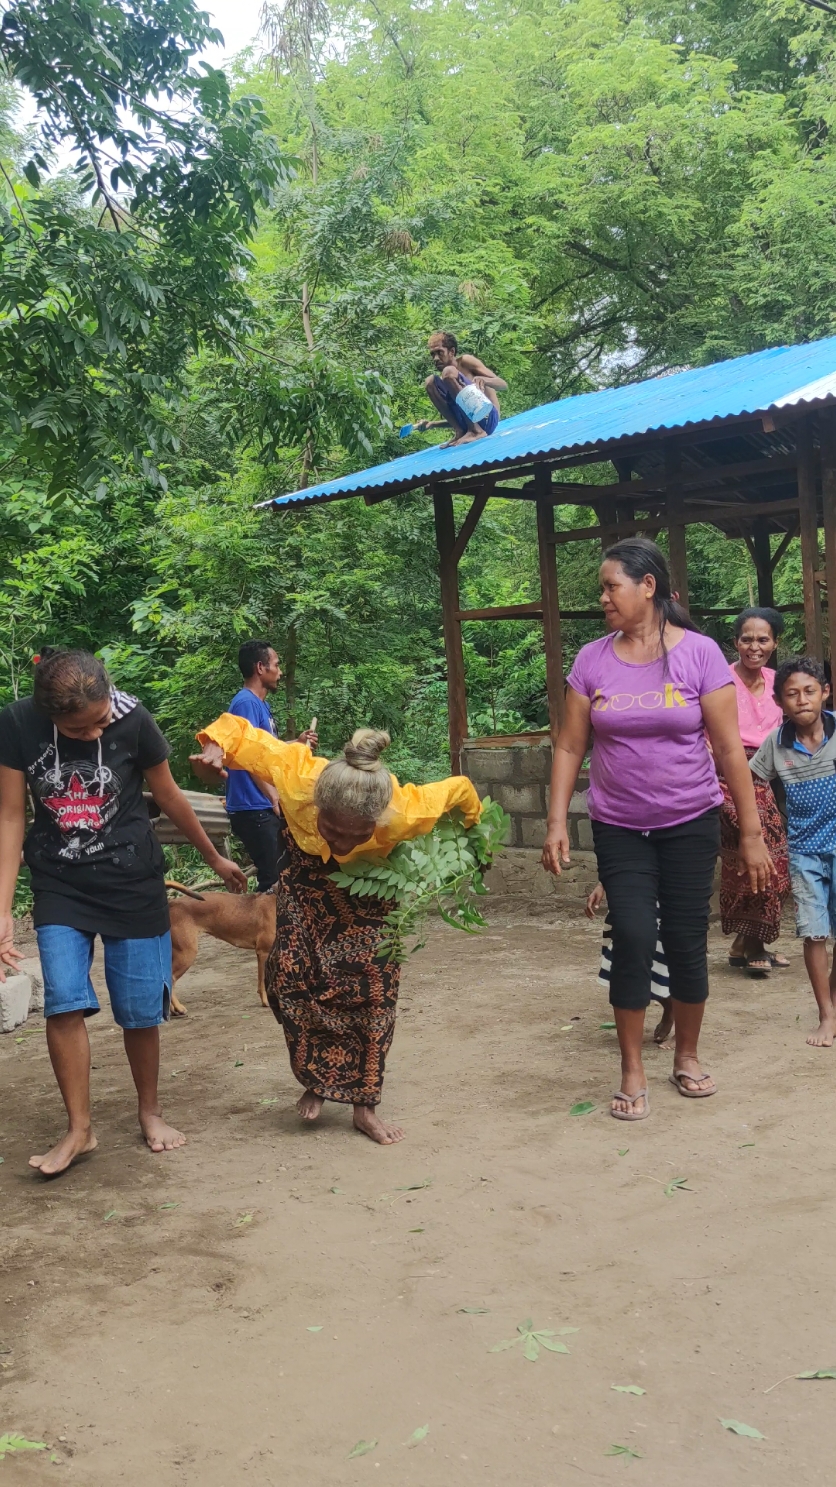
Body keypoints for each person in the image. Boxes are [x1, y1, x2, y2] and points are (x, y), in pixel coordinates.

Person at [541, 538, 773, 1122]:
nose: (603, 598)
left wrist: (750, 833)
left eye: (611, 586)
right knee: (636, 937)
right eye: (602, 587)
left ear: (647, 587)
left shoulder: (698, 655)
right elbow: (571, 744)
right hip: (620, 825)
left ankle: (688, 1056)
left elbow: (727, 749)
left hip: (689, 821)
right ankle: (631, 1067)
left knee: (688, 942)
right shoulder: (592, 660)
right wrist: (554, 823)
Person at [0, 649, 247, 1176]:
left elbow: (170, 795)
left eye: (99, 722)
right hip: (58, 882)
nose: (94, 734)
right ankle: (79, 1128)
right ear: (52, 718)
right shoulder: (18, 723)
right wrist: (2, 909)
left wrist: (214, 857)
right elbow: (11, 813)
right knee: (63, 1000)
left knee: (139, 1009)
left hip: (134, 879)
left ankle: (150, 1112)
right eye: (79, 728)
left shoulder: (132, 718)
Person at [190, 718, 481, 1144]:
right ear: (316, 804)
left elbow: (461, 789)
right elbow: (242, 733)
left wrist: (475, 834)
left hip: (370, 896)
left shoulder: (406, 811)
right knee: (289, 980)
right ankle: (320, 1079)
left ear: (379, 820)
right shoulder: (297, 778)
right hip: (306, 888)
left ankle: (365, 1105)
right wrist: (215, 747)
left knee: (371, 994)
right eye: (332, 828)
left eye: (356, 833)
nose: (342, 841)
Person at [749, 657, 836, 1047]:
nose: (802, 700)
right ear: (780, 702)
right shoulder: (775, 744)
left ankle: (833, 998)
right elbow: (751, 782)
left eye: (810, 691)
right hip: (804, 854)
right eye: (792, 694)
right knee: (814, 935)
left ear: (825, 693)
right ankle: (827, 1014)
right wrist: (756, 834)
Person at [719, 608, 791, 975]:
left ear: (774, 643)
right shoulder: (721, 680)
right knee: (752, 855)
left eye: (763, 639)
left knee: (777, 857)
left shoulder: (779, 683)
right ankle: (755, 946)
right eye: (746, 638)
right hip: (726, 776)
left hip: (765, 779)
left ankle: (745, 942)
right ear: (736, 642)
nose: (754, 646)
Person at [225, 640, 317, 893]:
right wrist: (273, 795)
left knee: (280, 877)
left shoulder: (260, 704)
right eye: (276, 665)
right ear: (260, 668)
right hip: (253, 807)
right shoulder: (245, 703)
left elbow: (265, 751)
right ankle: (253, 931)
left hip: (262, 805)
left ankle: (271, 931)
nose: (280, 671)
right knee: (274, 881)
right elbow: (248, 755)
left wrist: (295, 743)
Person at [586, 882, 673, 1046]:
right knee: (628, 957)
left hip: (673, 886)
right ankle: (632, 1035)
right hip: (633, 886)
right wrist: (603, 883)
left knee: (664, 960)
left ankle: (677, 1022)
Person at [417, 331, 507, 446]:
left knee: (448, 372)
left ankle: (476, 431)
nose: (435, 358)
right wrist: (433, 424)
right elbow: (465, 415)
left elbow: (503, 384)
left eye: (440, 352)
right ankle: (459, 431)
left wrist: (485, 380)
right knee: (430, 381)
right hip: (470, 425)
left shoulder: (465, 362)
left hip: (488, 418)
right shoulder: (446, 380)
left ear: (452, 352)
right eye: (432, 354)